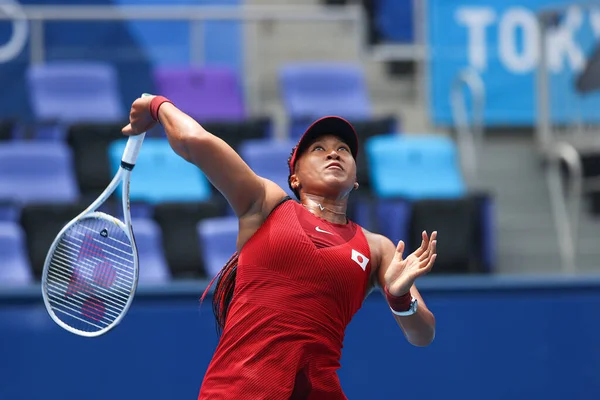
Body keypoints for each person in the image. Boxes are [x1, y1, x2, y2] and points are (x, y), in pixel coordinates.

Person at [122, 95, 437, 400]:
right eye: (318, 149)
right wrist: (157, 104)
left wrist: (399, 298)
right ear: (295, 177)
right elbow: (196, 141)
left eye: (343, 149)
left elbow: (422, 334)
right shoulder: (265, 204)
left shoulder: (377, 247)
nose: (334, 153)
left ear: (355, 179)